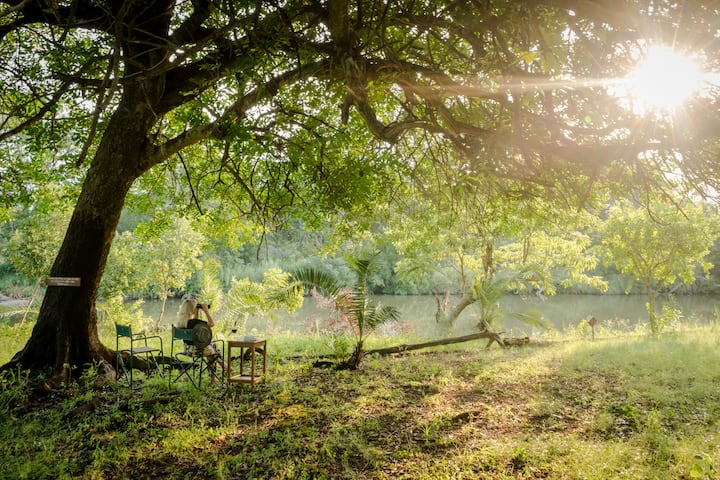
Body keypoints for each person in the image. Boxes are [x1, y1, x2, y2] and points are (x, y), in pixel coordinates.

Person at [176, 297, 226, 381]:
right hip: (197, 351)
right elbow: (211, 324)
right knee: (213, 349)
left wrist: (196, 311)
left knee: (211, 349)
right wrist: (206, 311)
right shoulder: (193, 322)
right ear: (192, 309)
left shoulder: (181, 322)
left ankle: (223, 366)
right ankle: (217, 374)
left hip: (187, 349)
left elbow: (194, 323)